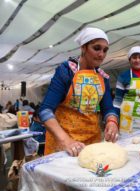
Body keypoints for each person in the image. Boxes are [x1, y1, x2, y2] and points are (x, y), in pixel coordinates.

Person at [38, 27, 119, 156]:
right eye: (96, 48)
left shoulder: (103, 77)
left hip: (92, 142)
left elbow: (108, 108)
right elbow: (45, 111)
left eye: (105, 50)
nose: (101, 54)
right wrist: (66, 141)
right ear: (83, 47)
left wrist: (111, 121)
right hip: (64, 145)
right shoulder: (66, 71)